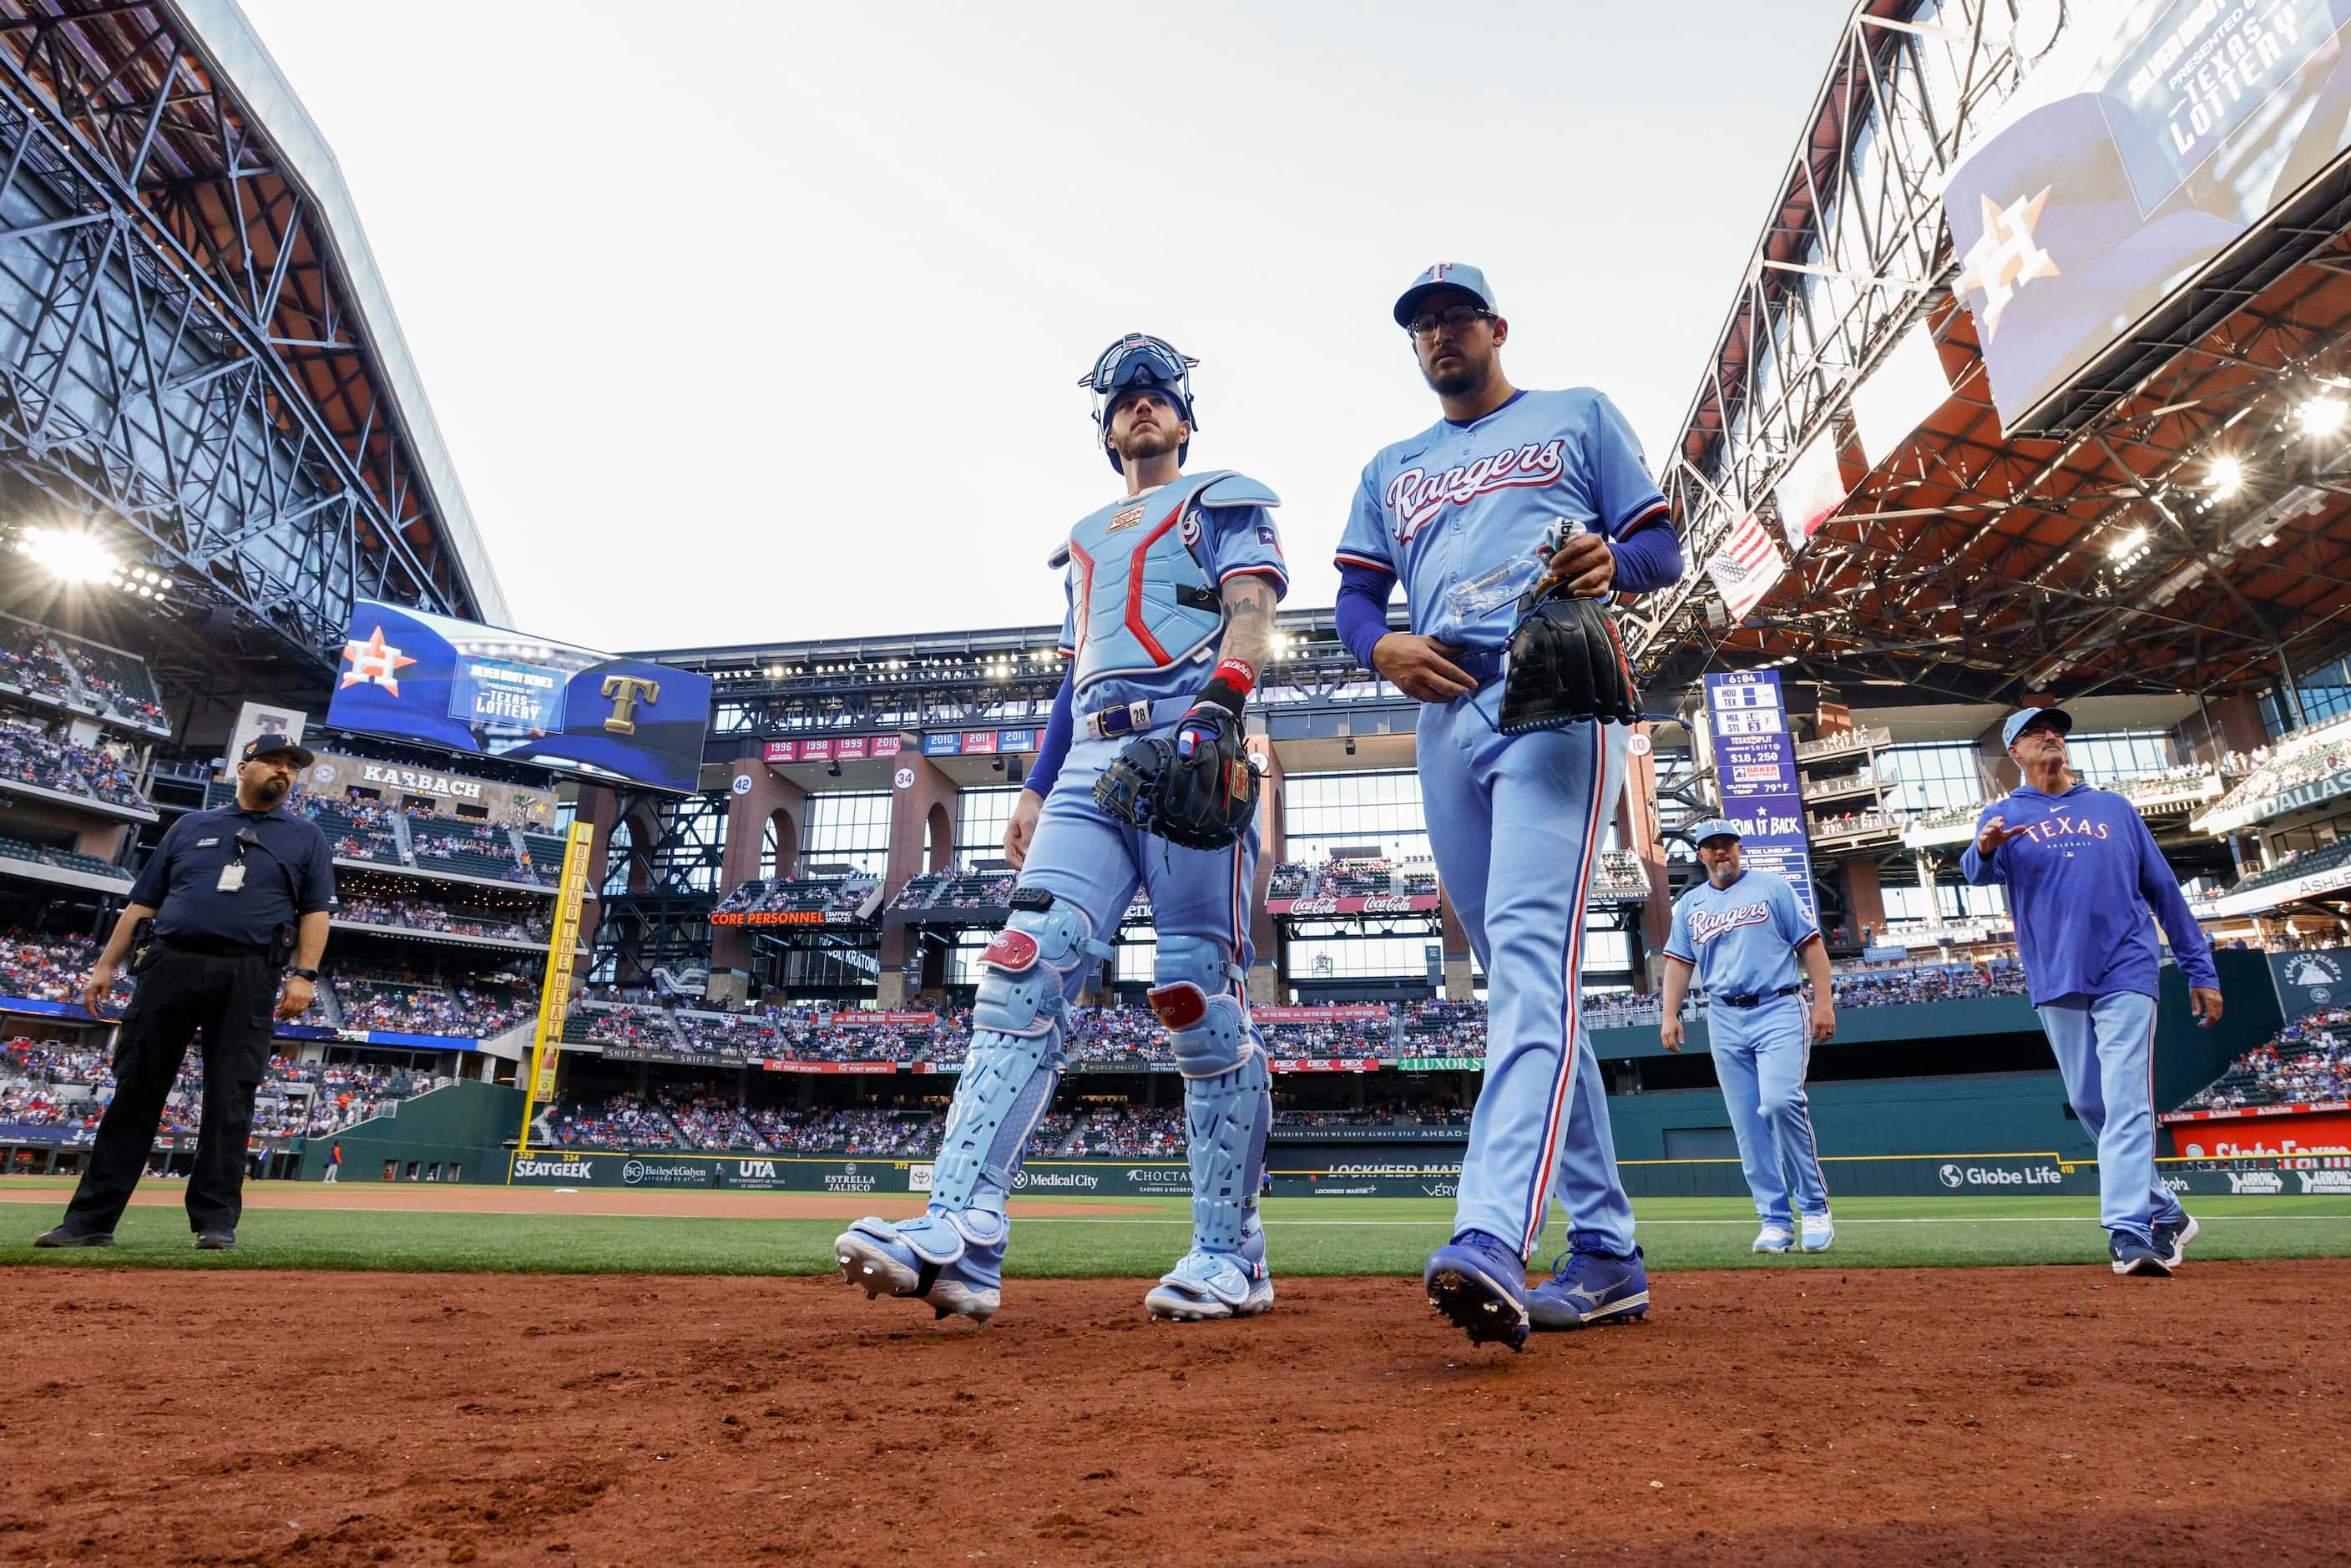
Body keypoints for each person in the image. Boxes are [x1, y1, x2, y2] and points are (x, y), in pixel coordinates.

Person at [837, 333, 1287, 1323]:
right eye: (1124, 398)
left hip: (1186, 737)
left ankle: (1230, 1253)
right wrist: (1036, 787)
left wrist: (1222, 702)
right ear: (1104, 424)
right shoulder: (1084, 535)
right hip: (1088, 759)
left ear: (1184, 415)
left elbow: (1250, 615)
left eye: (1157, 395)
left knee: (1193, 996)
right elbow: (1073, 667)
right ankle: (961, 1233)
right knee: (1021, 964)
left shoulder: (1223, 497)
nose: (1141, 407)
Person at [1332, 263, 1684, 1348]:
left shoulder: (1575, 415)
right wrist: (1377, 641)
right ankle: (1610, 1249)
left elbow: (1660, 548)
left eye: (1454, 317)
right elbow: (1355, 594)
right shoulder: (1392, 466)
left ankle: (1489, 1229)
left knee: (1533, 958)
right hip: (1446, 715)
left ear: (1495, 327)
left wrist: (1610, 560)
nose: (1439, 335)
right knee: (1525, 982)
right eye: (1422, 325)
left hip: (1550, 689)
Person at [34, 734, 335, 1251]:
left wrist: (304, 974)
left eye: (291, 765)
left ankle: (215, 1221)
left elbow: (316, 912)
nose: (283, 771)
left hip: (249, 972)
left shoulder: (306, 837)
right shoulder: (191, 826)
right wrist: (106, 965)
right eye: (272, 761)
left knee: (231, 1096)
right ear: (243, 767)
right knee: (136, 1091)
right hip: (169, 965)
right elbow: (141, 904)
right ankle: (89, 1220)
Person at [1961, 706, 2222, 1277]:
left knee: (2126, 1099)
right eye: (2035, 732)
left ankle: (2129, 1230)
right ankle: (2168, 1211)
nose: (2051, 735)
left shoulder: (2114, 808)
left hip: (2127, 966)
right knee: (2090, 1101)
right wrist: (1984, 848)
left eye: (2056, 729)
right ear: (2014, 752)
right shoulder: (2003, 816)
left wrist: (2199, 968)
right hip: (2056, 974)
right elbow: (1974, 873)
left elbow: (2163, 890)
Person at [1660, 819, 1836, 1256]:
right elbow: (1679, 964)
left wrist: (1824, 1002)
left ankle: (1813, 1207)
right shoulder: (1690, 907)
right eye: (1711, 847)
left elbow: (1811, 945)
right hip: (1723, 1015)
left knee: (1779, 1103)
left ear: (1739, 848)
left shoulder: (1772, 887)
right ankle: (1774, 1220)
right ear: (1700, 855)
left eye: (1726, 845)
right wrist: (1669, 1013)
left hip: (1777, 1004)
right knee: (1747, 1125)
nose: (1720, 853)